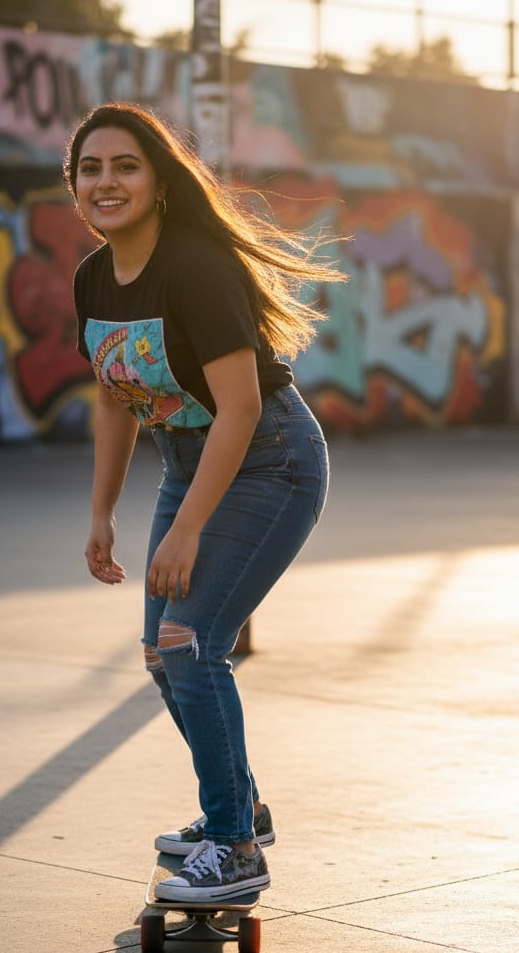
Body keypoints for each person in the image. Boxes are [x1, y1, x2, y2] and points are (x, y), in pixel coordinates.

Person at [65, 102, 338, 902]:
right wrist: (101, 514)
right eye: (91, 169)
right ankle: (240, 808)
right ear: (75, 188)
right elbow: (116, 399)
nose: (106, 182)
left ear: (156, 183)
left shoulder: (194, 266)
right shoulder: (91, 280)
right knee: (160, 653)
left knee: (190, 639)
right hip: (189, 462)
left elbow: (243, 408)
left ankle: (233, 846)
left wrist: (185, 532)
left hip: (271, 460)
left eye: (124, 166)